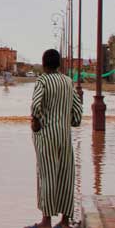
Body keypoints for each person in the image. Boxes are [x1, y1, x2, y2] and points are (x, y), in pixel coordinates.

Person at [26, 49, 82, 228]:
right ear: (59, 64)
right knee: (66, 176)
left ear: (44, 64)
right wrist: (71, 121)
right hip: (64, 137)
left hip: (46, 136)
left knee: (47, 175)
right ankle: (65, 221)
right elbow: (77, 111)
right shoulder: (67, 82)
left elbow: (35, 105)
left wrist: (36, 122)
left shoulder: (42, 81)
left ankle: (46, 221)